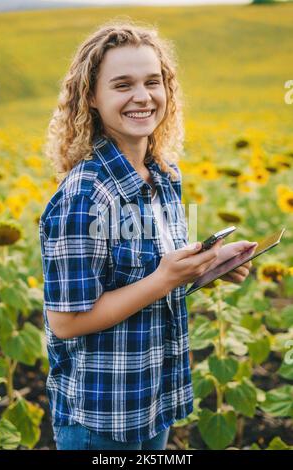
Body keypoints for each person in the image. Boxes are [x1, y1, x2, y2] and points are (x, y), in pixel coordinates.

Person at [39, 20, 254, 451]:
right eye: (122, 85)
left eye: (152, 82)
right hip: (102, 417)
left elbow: (152, 273)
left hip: (154, 396)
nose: (142, 96)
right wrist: (165, 279)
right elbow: (65, 322)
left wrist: (208, 265)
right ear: (93, 99)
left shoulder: (162, 176)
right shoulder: (85, 195)